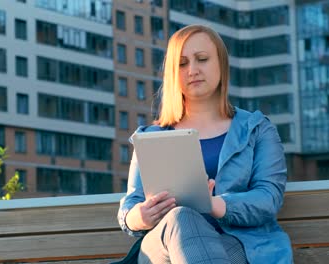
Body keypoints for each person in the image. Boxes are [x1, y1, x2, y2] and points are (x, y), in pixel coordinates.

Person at [117, 24, 293, 264]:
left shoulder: (257, 129)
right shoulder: (151, 136)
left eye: (202, 59)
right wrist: (141, 216)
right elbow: (130, 206)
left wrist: (215, 204)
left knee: (206, 249)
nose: (193, 70)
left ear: (221, 64)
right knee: (182, 217)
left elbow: (269, 198)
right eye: (182, 63)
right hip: (163, 246)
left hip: (239, 243)